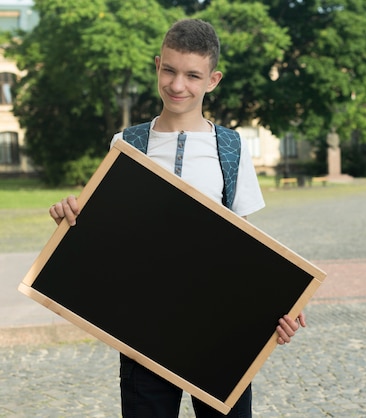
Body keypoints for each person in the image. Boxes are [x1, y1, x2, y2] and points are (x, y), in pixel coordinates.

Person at [49, 18, 305, 418]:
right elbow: (106, 239)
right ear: (157, 66)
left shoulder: (231, 147)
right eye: (168, 70)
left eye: (192, 75)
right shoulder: (126, 143)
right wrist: (70, 218)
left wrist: (282, 299)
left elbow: (249, 246)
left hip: (222, 329)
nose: (177, 85)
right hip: (143, 330)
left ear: (213, 79)